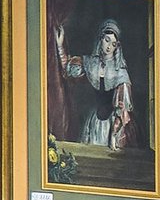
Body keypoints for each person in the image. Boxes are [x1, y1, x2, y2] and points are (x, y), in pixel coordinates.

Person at [51, 11, 134, 151]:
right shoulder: (90, 63)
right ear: (100, 39)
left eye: (113, 44)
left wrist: (114, 134)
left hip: (113, 125)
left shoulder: (120, 72)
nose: (109, 46)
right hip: (95, 122)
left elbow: (121, 109)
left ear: (117, 46)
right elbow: (68, 69)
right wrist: (60, 45)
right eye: (107, 40)